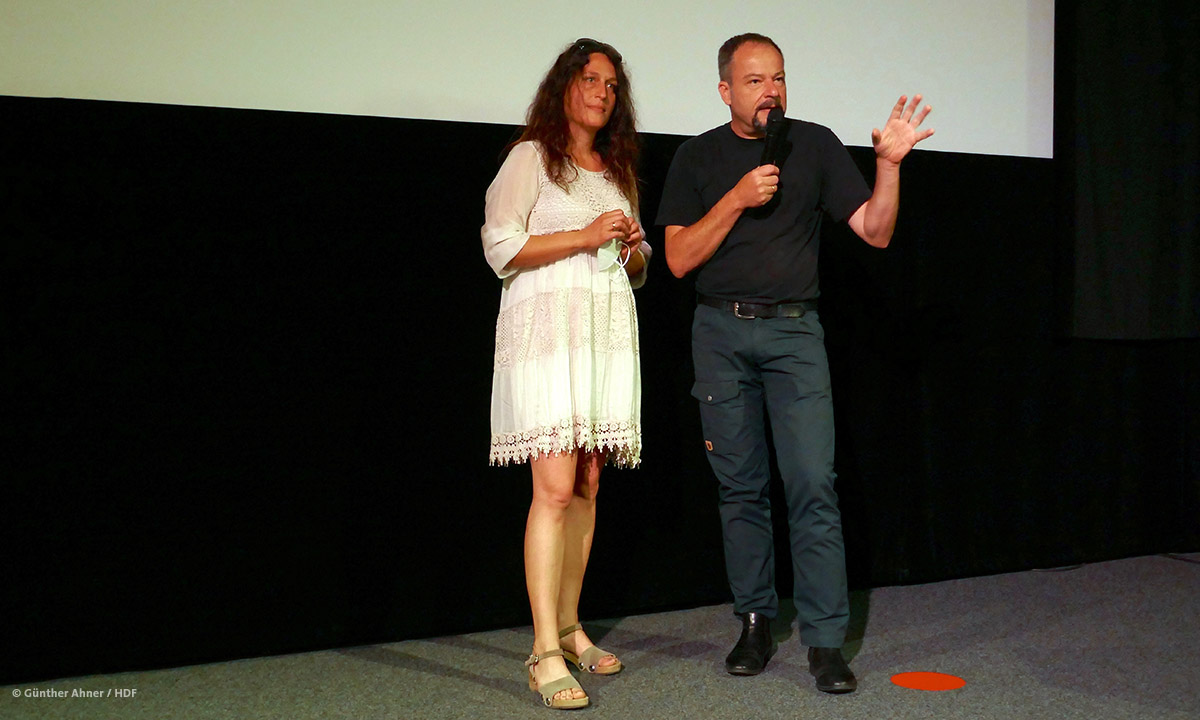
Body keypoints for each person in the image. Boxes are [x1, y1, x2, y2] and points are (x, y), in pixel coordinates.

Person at [655, 33, 933, 693]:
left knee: (813, 483)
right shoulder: (697, 156)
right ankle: (754, 620)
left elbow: (876, 230)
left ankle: (825, 641)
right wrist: (735, 199)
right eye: (754, 81)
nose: (771, 92)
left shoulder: (815, 143)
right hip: (720, 332)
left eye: (777, 78)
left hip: (794, 335)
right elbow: (676, 260)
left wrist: (889, 165)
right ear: (725, 90)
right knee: (741, 487)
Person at [481, 38, 650, 710]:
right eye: (590, 79)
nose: (602, 93)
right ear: (565, 86)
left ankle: (573, 628)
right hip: (548, 339)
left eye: (612, 84)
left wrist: (633, 250)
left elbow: (632, 273)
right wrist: (585, 236)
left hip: (602, 339)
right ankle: (543, 650)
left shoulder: (616, 169)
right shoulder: (531, 157)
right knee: (552, 487)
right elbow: (500, 245)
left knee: (587, 482)